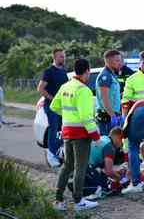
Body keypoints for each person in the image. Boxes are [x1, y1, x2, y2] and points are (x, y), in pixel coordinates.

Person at [50, 59, 100, 211]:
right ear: (87, 71)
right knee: (80, 167)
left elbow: (54, 106)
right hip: (80, 135)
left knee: (67, 166)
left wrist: (68, 118)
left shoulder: (66, 86)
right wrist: (96, 136)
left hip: (67, 132)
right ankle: (79, 201)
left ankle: (58, 200)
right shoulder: (83, 90)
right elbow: (86, 117)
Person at [37, 48, 68, 167]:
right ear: (54, 58)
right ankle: (51, 156)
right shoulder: (49, 71)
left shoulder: (63, 72)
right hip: (51, 107)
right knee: (53, 130)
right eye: (60, 56)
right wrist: (52, 98)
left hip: (62, 108)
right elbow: (40, 88)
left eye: (63, 56)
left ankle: (59, 154)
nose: (63, 58)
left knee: (61, 131)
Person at [95, 50, 123, 136]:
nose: (120, 63)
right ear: (108, 61)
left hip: (112, 115)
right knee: (108, 144)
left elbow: (113, 96)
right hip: (106, 117)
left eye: (120, 60)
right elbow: (104, 98)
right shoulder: (105, 76)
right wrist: (113, 116)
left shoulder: (112, 75)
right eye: (117, 61)